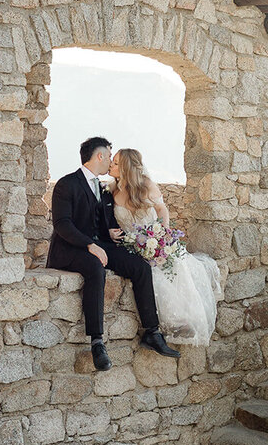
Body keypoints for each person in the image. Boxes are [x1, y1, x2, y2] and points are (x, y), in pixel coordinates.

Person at [46, 136, 181, 372]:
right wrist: (90, 244)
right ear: (100, 155)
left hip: (99, 244)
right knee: (95, 267)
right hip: (69, 249)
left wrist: (108, 232)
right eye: (110, 155)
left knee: (140, 266)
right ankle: (97, 342)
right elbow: (62, 224)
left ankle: (152, 332)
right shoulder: (67, 184)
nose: (111, 161)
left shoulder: (103, 188)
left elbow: (102, 220)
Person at [108, 148, 222, 347]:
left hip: (155, 241)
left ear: (126, 167)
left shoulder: (146, 186)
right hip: (132, 245)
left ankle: (179, 323)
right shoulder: (112, 190)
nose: (111, 165)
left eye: (116, 163)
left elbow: (161, 209)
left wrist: (162, 234)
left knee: (168, 272)